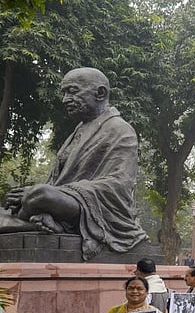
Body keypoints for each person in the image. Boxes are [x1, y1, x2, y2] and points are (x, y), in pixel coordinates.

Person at [0, 68, 150, 260]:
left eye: (72, 91)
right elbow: (55, 182)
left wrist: (59, 192)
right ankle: (37, 221)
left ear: (100, 93)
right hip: (65, 202)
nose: (65, 99)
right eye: (64, 93)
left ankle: (36, 222)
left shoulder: (120, 130)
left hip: (96, 207)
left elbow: (119, 184)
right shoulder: (77, 131)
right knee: (21, 201)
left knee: (39, 195)